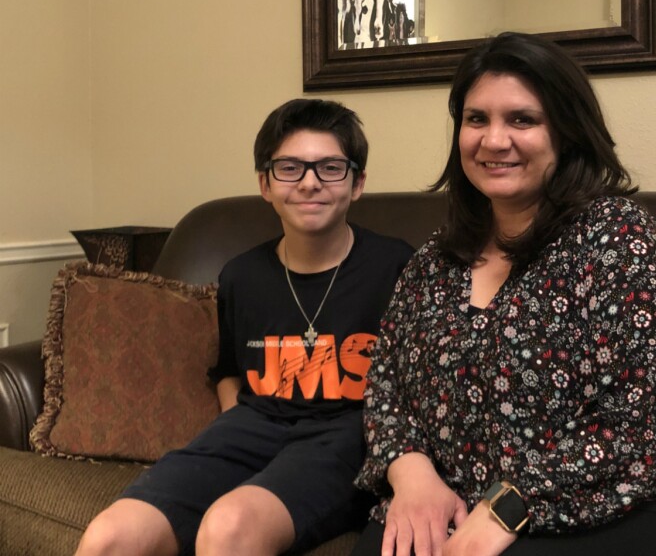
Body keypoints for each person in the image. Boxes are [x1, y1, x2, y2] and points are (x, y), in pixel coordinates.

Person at [351, 32, 656, 556]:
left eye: (522, 119)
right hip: (471, 505)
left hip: (651, 503)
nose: (493, 140)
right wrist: (412, 477)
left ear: (566, 133)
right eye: (476, 119)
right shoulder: (435, 260)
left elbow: (643, 421)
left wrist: (509, 507)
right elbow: (386, 382)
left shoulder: (619, 239)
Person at [76, 99, 414, 556]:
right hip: (253, 426)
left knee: (228, 527)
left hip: (346, 437)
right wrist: (239, 427)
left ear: (357, 184)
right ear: (265, 184)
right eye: (290, 168)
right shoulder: (241, 274)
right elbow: (229, 370)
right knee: (108, 538)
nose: (310, 182)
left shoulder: (396, 266)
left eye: (331, 167)